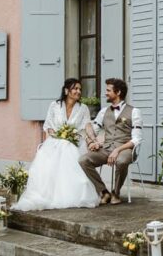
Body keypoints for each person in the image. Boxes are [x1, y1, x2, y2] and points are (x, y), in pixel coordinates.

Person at [12, 79, 100, 212]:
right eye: (75, 88)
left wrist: (93, 139)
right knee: (59, 148)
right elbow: (48, 125)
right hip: (54, 142)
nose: (78, 91)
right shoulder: (55, 105)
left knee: (67, 147)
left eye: (80, 89)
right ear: (66, 91)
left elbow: (87, 126)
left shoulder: (83, 108)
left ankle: (72, 193)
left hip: (74, 143)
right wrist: (58, 135)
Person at [80, 78, 143, 205]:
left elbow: (136, 139)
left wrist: (117, 150)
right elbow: (94, 130)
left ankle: (116, 192)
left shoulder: (135, 112)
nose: (106, 93)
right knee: (83, 160)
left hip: (125, 149)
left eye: (108, 90)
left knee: (121, 160)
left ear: (118, 92)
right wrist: (91, 141)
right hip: (106, 149)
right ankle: (104, 191)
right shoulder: (103, 112)